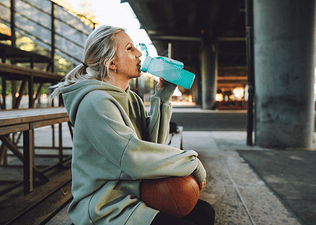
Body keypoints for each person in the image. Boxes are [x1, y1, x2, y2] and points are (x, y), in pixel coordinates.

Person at [50, 25, 215, 225]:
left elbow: (153, 144)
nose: (139, 54)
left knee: (205, 213)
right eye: (129, 49)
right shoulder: (96, 102)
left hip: (133, 194)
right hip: (106, 206)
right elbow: (133, 158)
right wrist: (191, 162)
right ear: (112, 64)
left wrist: (162, 98)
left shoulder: (131, 98)